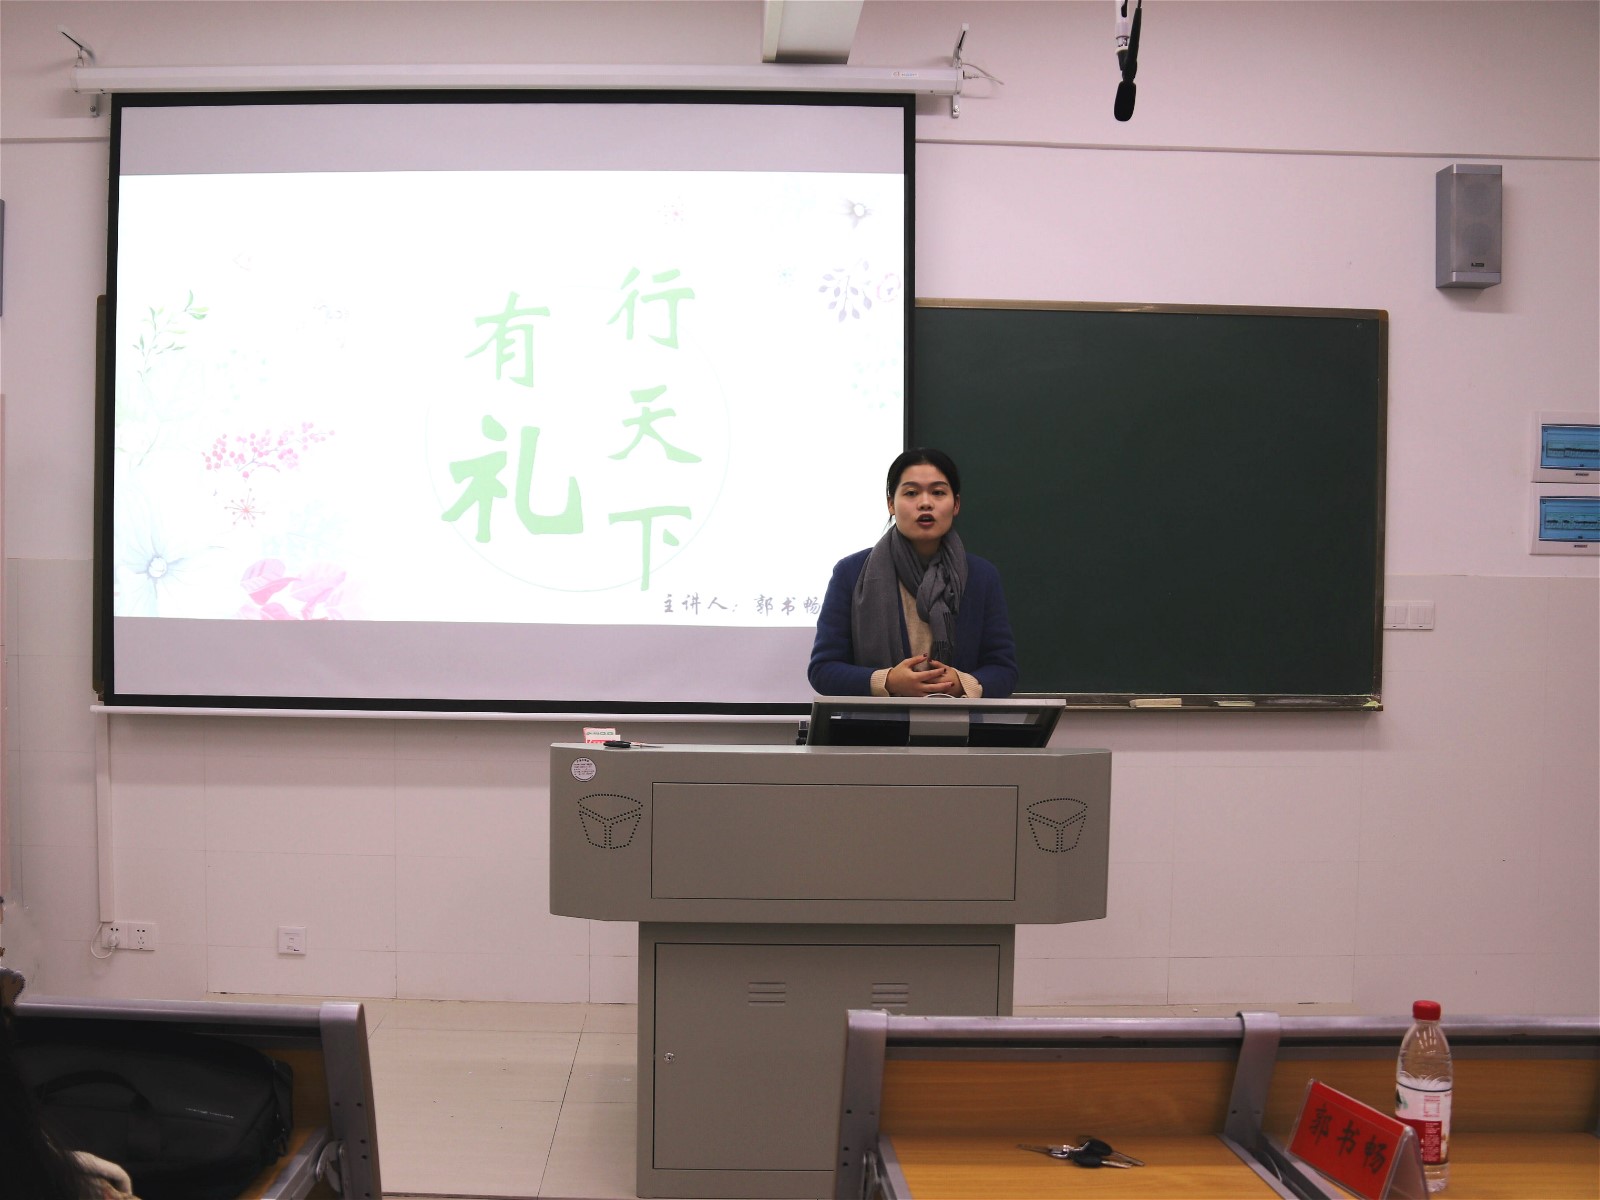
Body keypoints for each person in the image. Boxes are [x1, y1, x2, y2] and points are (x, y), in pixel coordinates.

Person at [808, 448, 1018, 698]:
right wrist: (887, 682)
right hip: (871, 725)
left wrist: (963, 684)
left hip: (958, 722)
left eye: (938, 492)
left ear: (956, 504)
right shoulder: (850, 573)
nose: (925, 503)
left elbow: (1004, 670)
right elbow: (823, 670)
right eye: (911, 493)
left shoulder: (981, 576)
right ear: (891, 504)